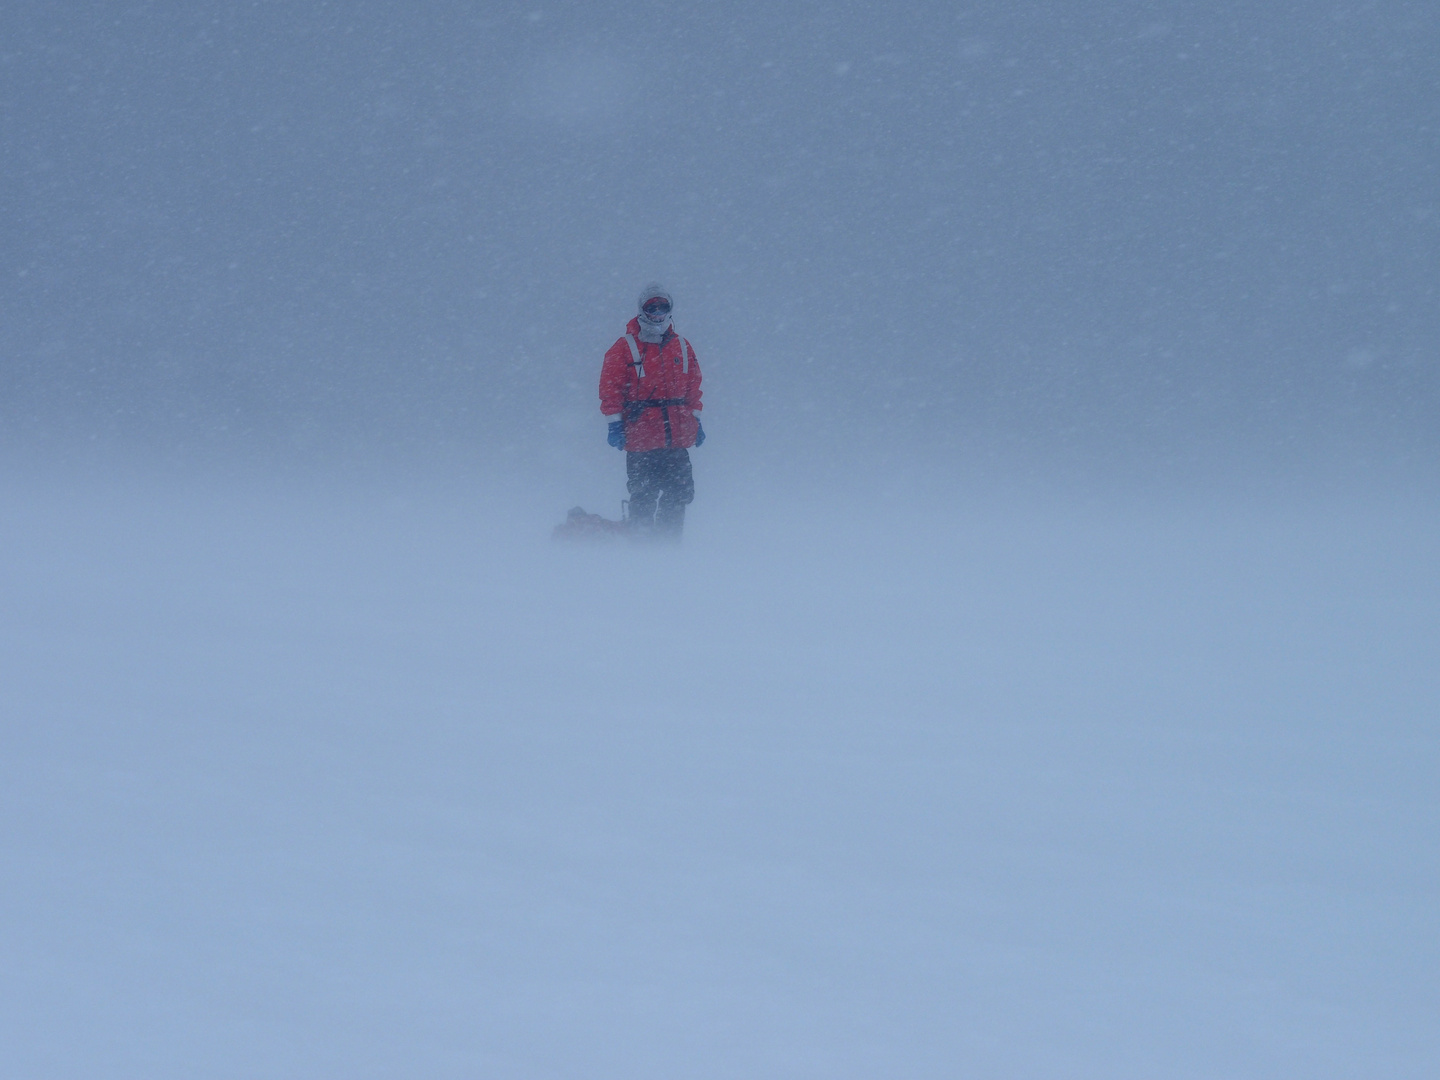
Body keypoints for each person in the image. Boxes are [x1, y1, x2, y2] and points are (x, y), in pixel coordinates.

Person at [599, 283, 704, 539]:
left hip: (676, 439)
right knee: (643, 496)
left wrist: (696, 421)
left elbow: (693, 388)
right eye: (651, 307)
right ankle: (641, 551)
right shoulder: (624, 348)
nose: (657, 312)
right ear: (642, 309)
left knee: (679, 493)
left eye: (662, 307)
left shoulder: (682, 346)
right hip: (641, 439)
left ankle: (668, 546)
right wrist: (614, 424)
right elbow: (610, 389)